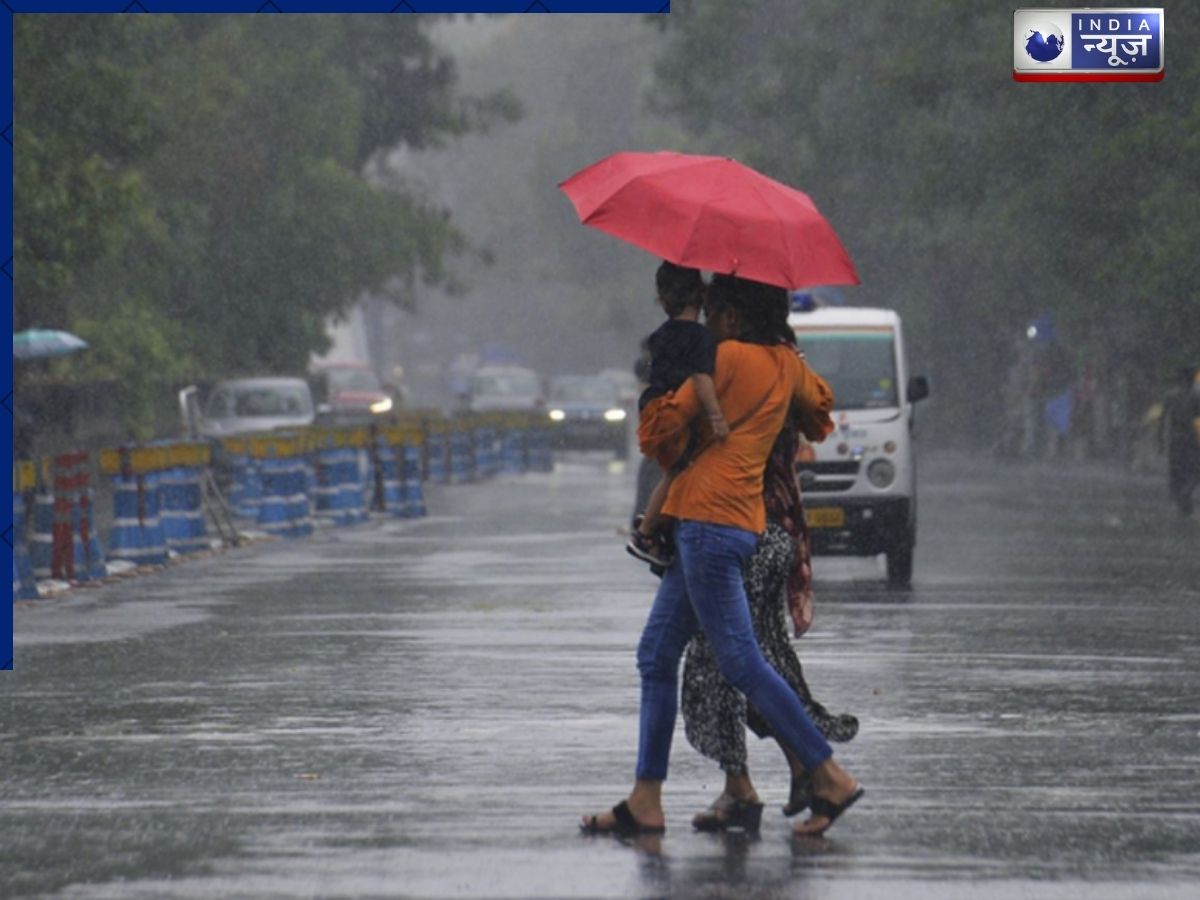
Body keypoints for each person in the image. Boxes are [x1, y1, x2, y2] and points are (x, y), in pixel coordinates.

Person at [581, 273, 864, 840]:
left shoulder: (725, 356)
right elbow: (821, 412)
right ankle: (646, 799)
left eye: (713, 310)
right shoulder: (787, 365)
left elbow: (659, 429)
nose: (707, 319)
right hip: (736, 521)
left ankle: (828, 773)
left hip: (707, 524)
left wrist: (665, 390)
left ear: (733, 317)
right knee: (657, 655)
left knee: (740, 661)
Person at [682, 419, 859, 832]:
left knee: (726, 664)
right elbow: (818, 415)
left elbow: (679, 447)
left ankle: (816, 775)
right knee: (754, 661)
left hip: (744, 532)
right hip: (776, 529)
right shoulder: (782, 370)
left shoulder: (731, 380)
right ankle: (793, 773)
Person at [625, 262, 728, 568]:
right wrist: (717, 416)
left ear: (663, 299)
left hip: (654, 412)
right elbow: (700, 377)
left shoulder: (659, 336)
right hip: (675, 416)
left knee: (673, 472)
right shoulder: (700, 337)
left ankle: (656, 526)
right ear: (701, 296)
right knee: (680, 472)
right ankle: (646, 532)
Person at [1158, 366, 1200, 517]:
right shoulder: (1196, 396)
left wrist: (1160, 440)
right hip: (1190, 437)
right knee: (1193, 470)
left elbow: (1162, 420)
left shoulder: (1170, 396)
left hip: (1175, 438)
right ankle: (1185, 493)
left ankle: (1181, 496)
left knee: (1177, 471)